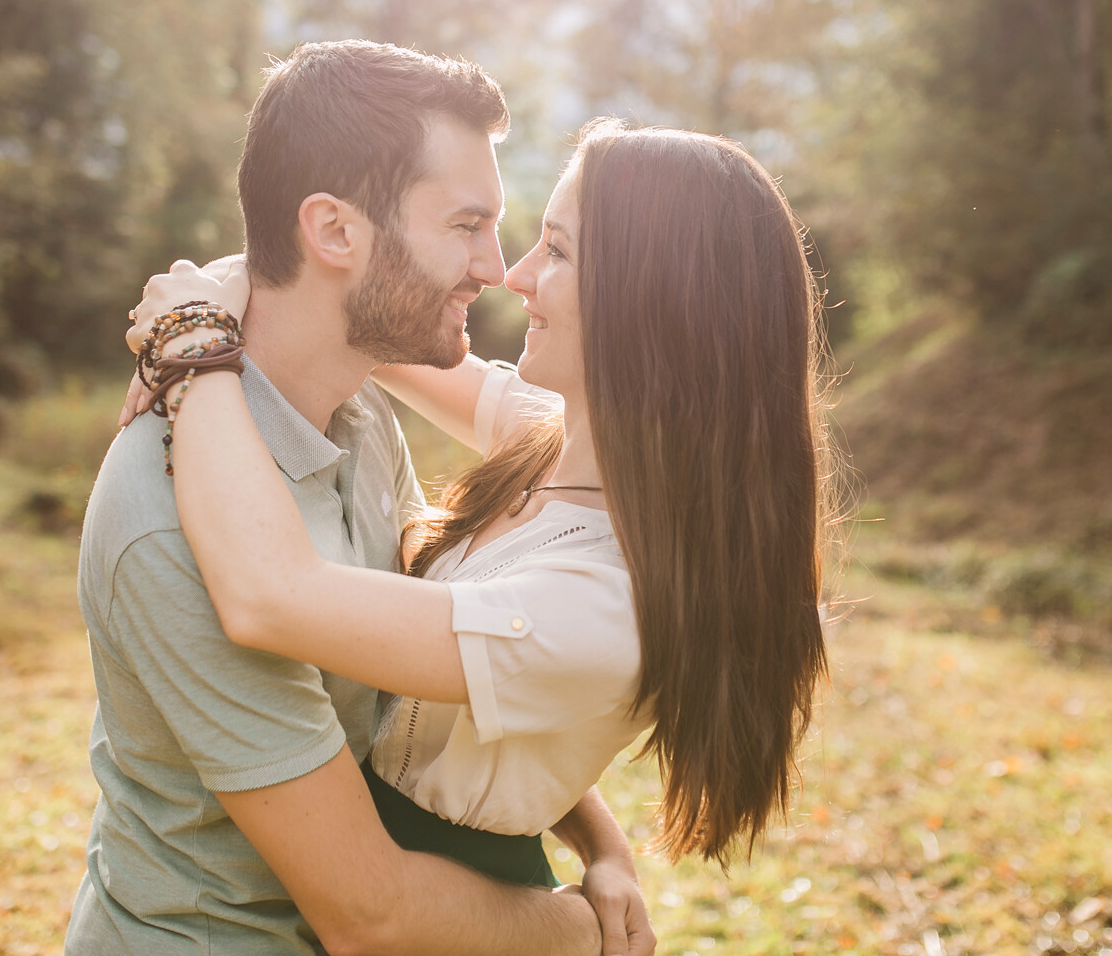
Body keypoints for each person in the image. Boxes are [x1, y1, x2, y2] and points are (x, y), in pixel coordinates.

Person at [128, 119, 830, 916]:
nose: (516, 275)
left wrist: (191, 347)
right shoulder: (558, 438)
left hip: (444, 904)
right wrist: (220, 281)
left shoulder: (608, 601)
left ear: (654, 303)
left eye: (559, 252)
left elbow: (268, 596)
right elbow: (352, 313)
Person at [68, 41, 650, 956]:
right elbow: (368, 914)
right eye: (467, 225)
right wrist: (580, 928)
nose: (497, 269)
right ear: (336, 232)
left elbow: (426, 679)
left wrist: (599, 838)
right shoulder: (176, 517)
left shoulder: (364, 420)